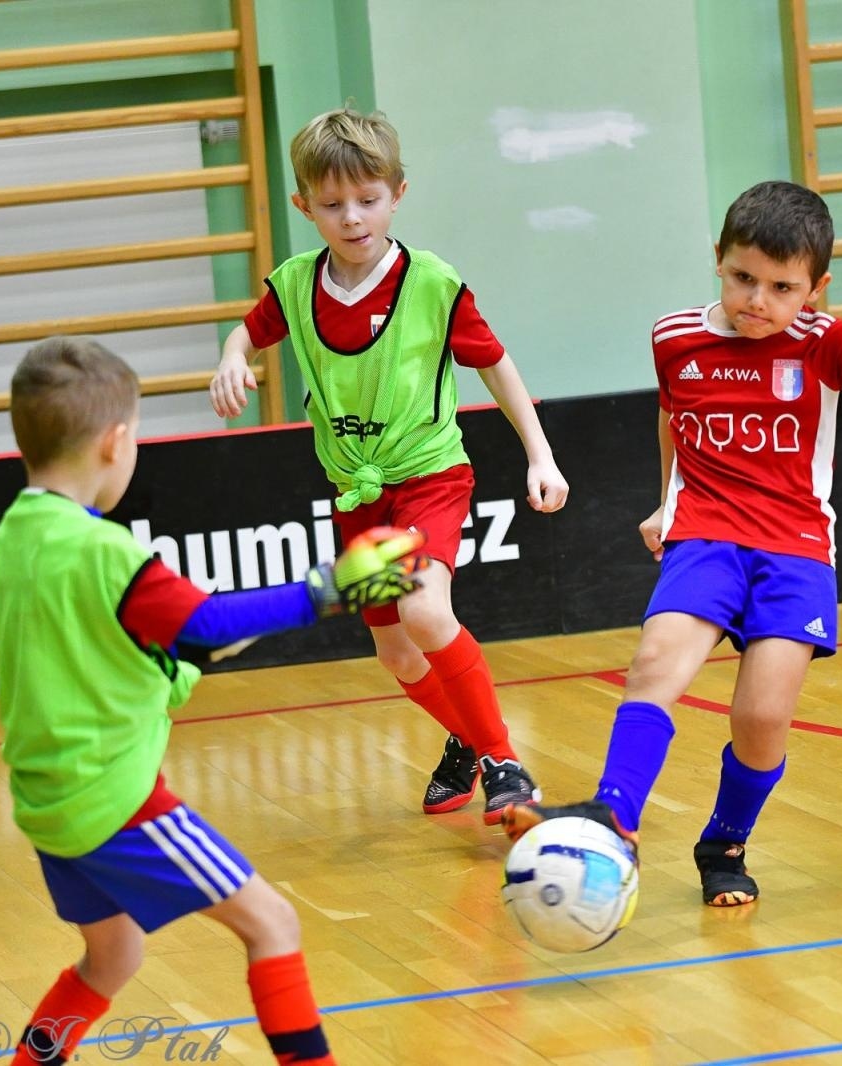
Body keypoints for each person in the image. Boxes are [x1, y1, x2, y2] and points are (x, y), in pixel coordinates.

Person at [502, 180, 842, 906]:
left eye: (783, 287)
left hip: (796, 550)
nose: (759, 300)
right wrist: (667, 503)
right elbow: (673, 417)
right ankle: (613, 817)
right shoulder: (674, 337)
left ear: (816, 288)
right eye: (743, 278)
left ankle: (723, 840)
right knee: (655, 660)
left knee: (760, 718)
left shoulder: (825, 343)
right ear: (717, 260)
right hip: (707, 534)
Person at [0, 337, 427, 1065]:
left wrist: (197, 655)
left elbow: (143, 653)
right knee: (273, 925)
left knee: (112, 957)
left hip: (46, 801)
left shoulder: (9, 545)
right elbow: (208, 626)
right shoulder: (104, 554)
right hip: (113, 802)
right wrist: (328, 590)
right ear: (115, 442)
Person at [209, 107, 568, 823]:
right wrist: (229, 360)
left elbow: (495, 366)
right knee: (399, 657)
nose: (352, 217)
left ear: (396, 193)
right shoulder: (294, 285)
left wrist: (541, 454)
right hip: (356, 493)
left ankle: (505, 765)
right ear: (303, 205)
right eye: (333, 204)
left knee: (426, 608)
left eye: (367, 200)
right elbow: (245, 336)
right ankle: (466, 741)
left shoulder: (432, 284)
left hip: (430, 475)